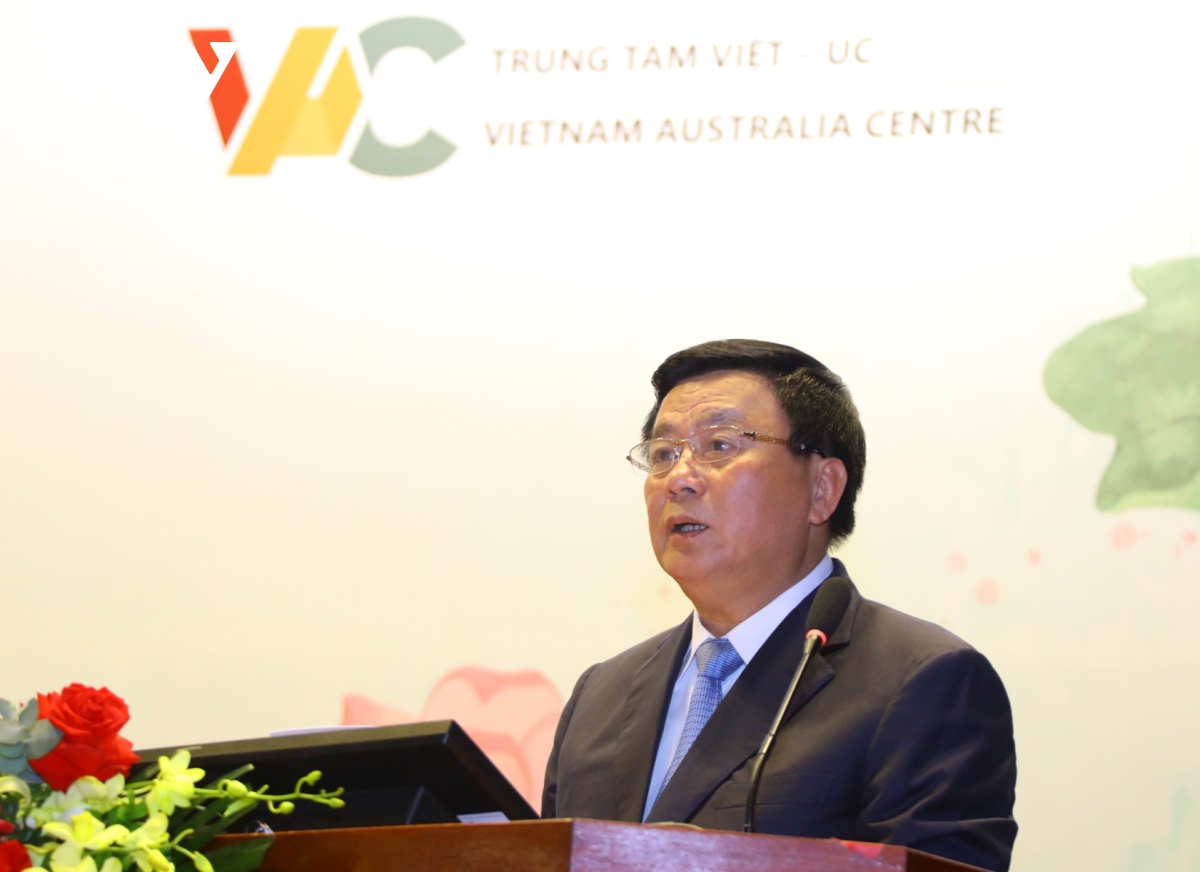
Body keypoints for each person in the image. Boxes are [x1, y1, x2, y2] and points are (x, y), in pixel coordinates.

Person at [542, 339, 1017, 872]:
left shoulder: (924, 683)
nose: (679, 479)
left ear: (822, 488)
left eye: (719, 445)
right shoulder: (599, 697)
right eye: (662, 454)